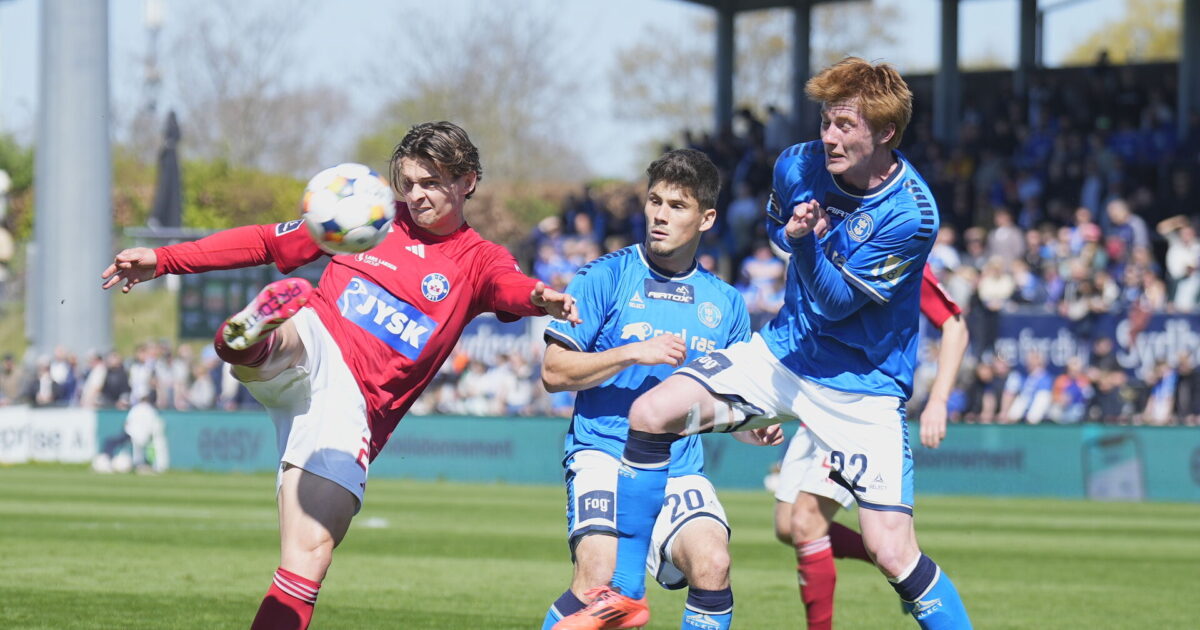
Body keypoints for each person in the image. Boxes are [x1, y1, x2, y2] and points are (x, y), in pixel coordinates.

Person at [101, 121, 580, 630]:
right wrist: (163, 259)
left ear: (467, 182)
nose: (415, 195)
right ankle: (251, 339)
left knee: (308, 557)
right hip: (318, 339)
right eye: (408, 183)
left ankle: (249, 342)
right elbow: (264, 241)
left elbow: (509, 286)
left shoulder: (478, 260)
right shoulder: (365, 217)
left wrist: (539, 298)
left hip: (351, 408)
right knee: (295, 337)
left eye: (431, 183)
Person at [556, 57, 973, 629]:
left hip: (863, 387)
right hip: (786, 353)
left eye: (845, 126)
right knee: (651, 413)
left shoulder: (911, 213)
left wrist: (804, 243)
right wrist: (793, 233)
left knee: (891, 550)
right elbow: (779, 227)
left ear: (885, 133)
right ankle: (626, 593)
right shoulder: (797, 162)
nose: (828, 137)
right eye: (825, 121)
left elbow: (835, 303)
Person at [539, 149, 782, 630]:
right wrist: (631, 352)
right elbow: (554, 371)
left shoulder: (726, 303)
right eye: (655, 201)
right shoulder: (604, 276)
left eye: (677, 205)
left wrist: (751, 429)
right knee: (598, 580)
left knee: (713, 563)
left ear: (706, 218)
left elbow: (728, 402)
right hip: (603, 456)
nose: (661, 215)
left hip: (678, 470)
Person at [772, 263, 969, 629]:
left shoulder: (895, 247)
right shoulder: (812, 248)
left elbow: (955, 326)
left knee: (805, 522)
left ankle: (902, 565)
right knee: (787, 526)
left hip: (858, 410)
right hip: (811, 403)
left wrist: (939, 400)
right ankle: (909, 573)